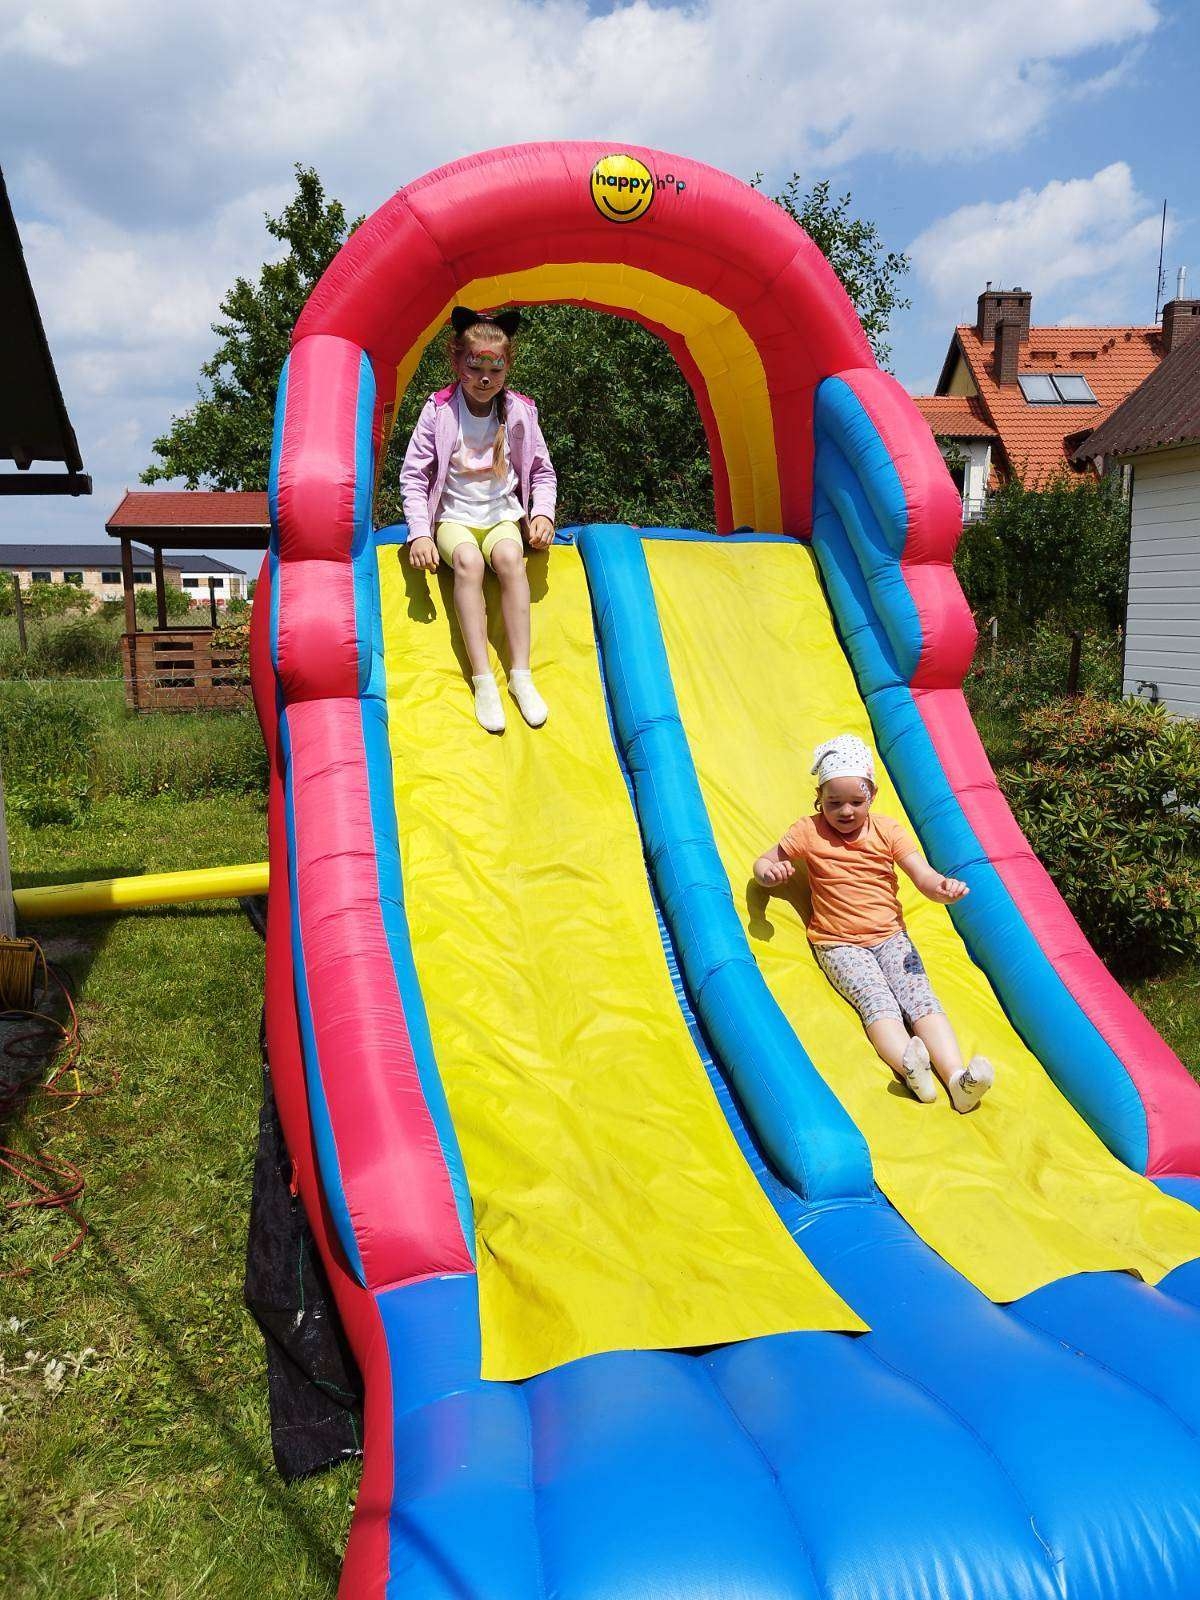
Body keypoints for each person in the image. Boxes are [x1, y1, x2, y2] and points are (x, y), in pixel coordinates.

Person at [752, 733, 994, 1112]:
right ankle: (911, 1070)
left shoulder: (888, 830)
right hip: (839, 944)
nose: (845, 811)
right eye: (834, 803)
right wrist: (769, 874)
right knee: (877, 1001)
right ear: (819, 798)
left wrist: (941, 889)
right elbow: (764, 862)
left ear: (873, 795)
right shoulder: (808, 831)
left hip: (891, 938)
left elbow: (923, 876)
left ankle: (956, 1079)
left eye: (856, 801)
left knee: (921, 999)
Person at [401, 306, 557, 733]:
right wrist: (420, 533)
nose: (485, 379)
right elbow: (414, 475)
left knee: (510, 558)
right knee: (468, 563)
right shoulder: (439, 411)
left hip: (501, 514)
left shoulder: (521, 412)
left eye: (495, 369)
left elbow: (542, 471)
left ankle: (520, 674)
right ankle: (483, 678)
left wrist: (543, 513)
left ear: (507, 368)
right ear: (458, 363)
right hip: (454, 517)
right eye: (475, 368)